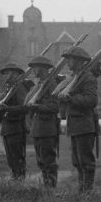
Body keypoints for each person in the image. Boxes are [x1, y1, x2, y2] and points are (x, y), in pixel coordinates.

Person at [57, 46, 99, 194]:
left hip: (84, 124)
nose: (67, 61)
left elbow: (92, 100)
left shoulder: (88, 78)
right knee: (77, 161)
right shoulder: (73, 78)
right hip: (74, 124)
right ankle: (82, 191)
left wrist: (71, 98)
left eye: (70, 58)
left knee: (85, 160)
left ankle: (87, 191)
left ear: (79, 60)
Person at [27, 55, 60, 188]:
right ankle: (47, 186)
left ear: (43, 68)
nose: (33, 70)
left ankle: (50, 187)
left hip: (47, 128)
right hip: (38, 128)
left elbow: (55, 106)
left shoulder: (51, 84)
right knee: (41, 161)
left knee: (48, 160)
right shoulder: (40, 85)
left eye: (35, 67)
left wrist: (37, 107)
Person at [0, 62, 30, 180]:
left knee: (17, 158)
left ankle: (20, 181)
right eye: (5, 73)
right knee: (11, 159)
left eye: (8, 73)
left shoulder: (19, 88)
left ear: (15, 74)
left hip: (16, 127)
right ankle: (15, 180)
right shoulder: (7, 89)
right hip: (7, 127)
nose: (6, 76)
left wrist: (8, 109)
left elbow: (25, 107)